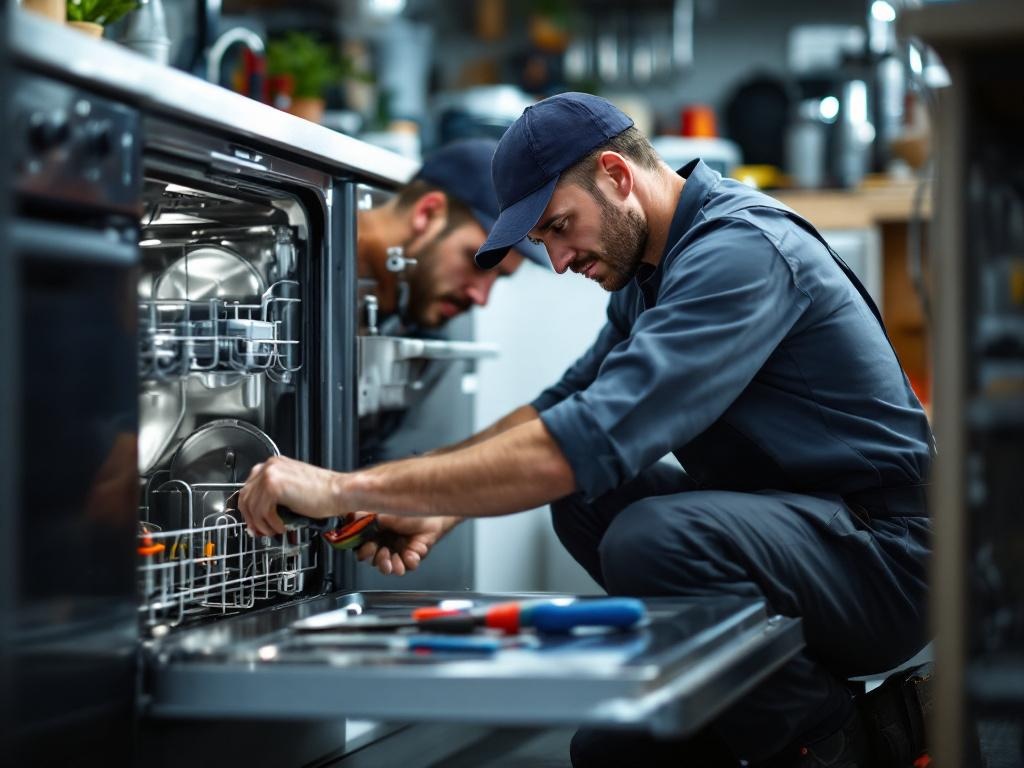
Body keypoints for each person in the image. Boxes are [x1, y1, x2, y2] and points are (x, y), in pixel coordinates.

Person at [238, 93, 933, 768]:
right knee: (608, 725)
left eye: (559, 226)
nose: (561, 261)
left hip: (887, 558)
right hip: (810, 540)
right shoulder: (650, 272)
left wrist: (344, 487)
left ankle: (836, 739)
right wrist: (435, 503)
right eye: (544, 241)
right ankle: (763, 702)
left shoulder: (740, 252)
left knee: (652, 537)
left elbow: (590, 437)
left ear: (616, 174)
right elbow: (559, 407)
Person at [356, 137, 547, 333]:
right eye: (478, 264)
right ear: (427, 213)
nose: (481, 298)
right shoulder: (325, 258)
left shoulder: (423, 321)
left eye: (499, 277)